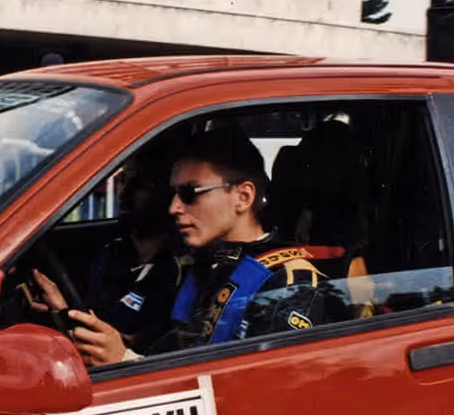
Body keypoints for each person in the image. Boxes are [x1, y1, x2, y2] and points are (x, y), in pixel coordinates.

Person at [66, 127, 345, 366]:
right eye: (174, 193)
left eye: (189, 194)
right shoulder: (195, 264)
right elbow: (157, 343)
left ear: (243, 197)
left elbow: (258, 392)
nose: (174, 207)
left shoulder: (287, 281)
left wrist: (126, 362)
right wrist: (67, 314)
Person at [29, 148, 186, 352]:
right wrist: (57, 311)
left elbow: (138, 346)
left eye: (140, 184)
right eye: (123, 180)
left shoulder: (178, 270)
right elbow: (95, 316)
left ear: (165, 193)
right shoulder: (112, 253)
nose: (125, 191)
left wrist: (63, 312)